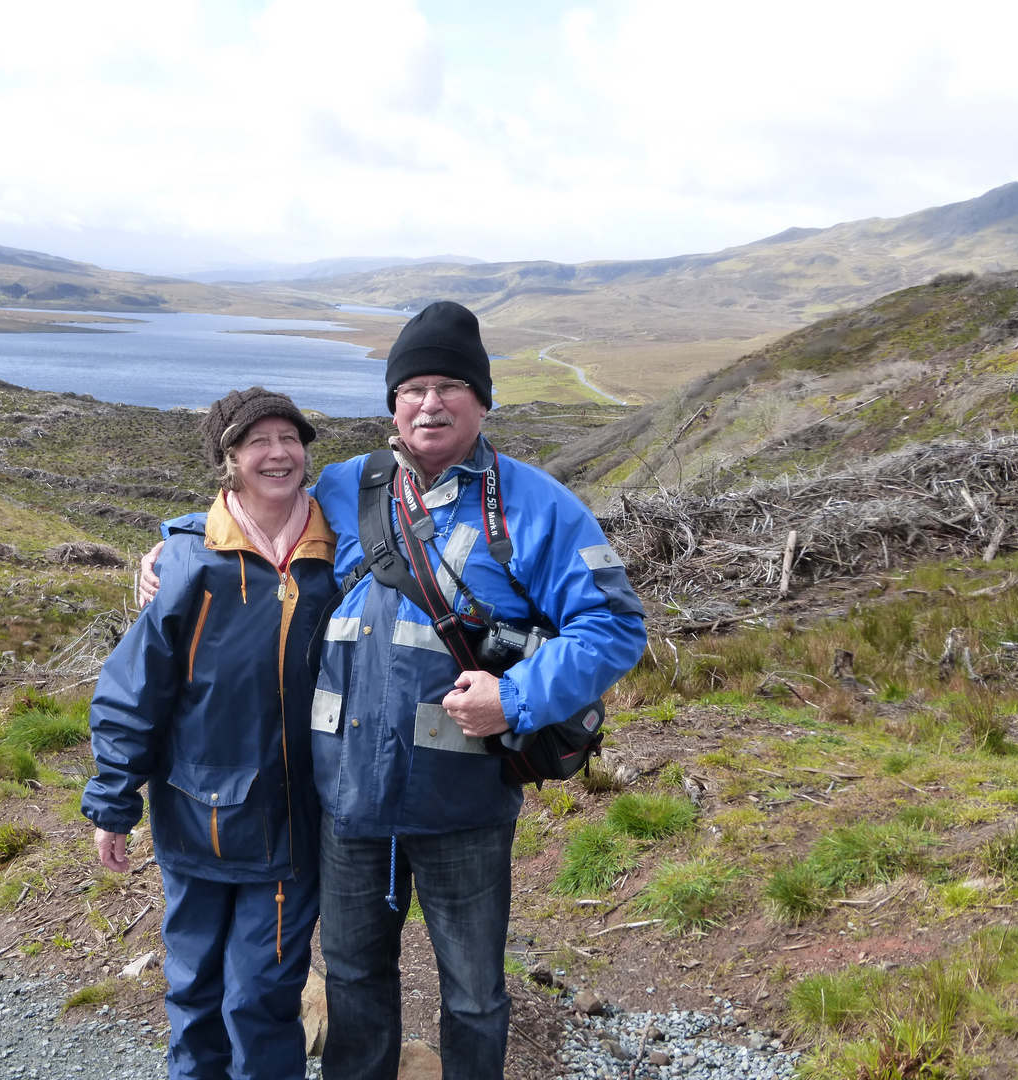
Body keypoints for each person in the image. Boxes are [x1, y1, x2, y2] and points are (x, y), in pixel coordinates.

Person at [141, 302, 646, 1080]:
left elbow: (613, 626)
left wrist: (513, 702)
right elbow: (254, 508)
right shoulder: (352, 487)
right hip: (348, 805)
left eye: (450, 386)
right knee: (352, 980)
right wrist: (171, 540)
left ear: (483, 402)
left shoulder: (537, 505)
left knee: (474, 992)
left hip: (465, 804)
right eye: (413, 388)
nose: (430, 403)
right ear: (393, 405)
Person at [82, 387, 338, 1080]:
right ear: (228, 459)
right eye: (259, 441)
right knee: (193, 992)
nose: (279, 453)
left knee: (261, 997)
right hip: (193, 818)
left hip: (291, 826)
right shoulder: (188, 564)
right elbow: (135, 690)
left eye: (291, 438)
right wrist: (112, 802)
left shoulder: (337, 554)